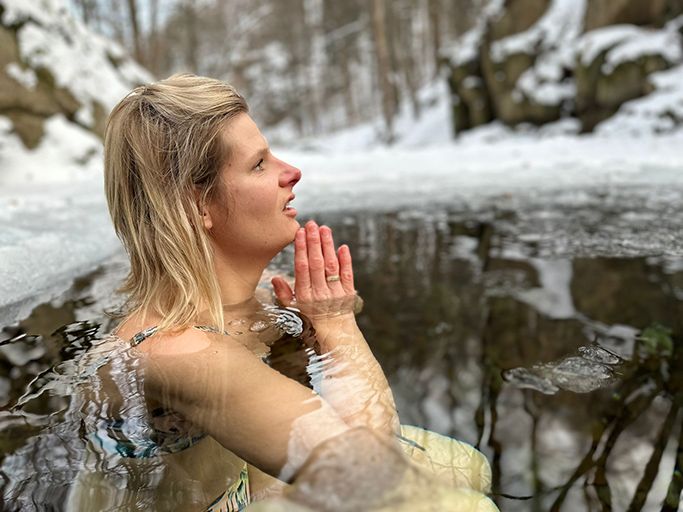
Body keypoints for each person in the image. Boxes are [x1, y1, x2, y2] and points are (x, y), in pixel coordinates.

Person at [73, 73, 494, 511]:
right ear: (197, 205)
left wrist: (307, 329)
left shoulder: (252, 300)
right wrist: (335, 323)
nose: (292, 172)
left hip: (231, 484)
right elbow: (369, 478)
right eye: (259, 164)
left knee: (469, 467)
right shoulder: (177, 351)